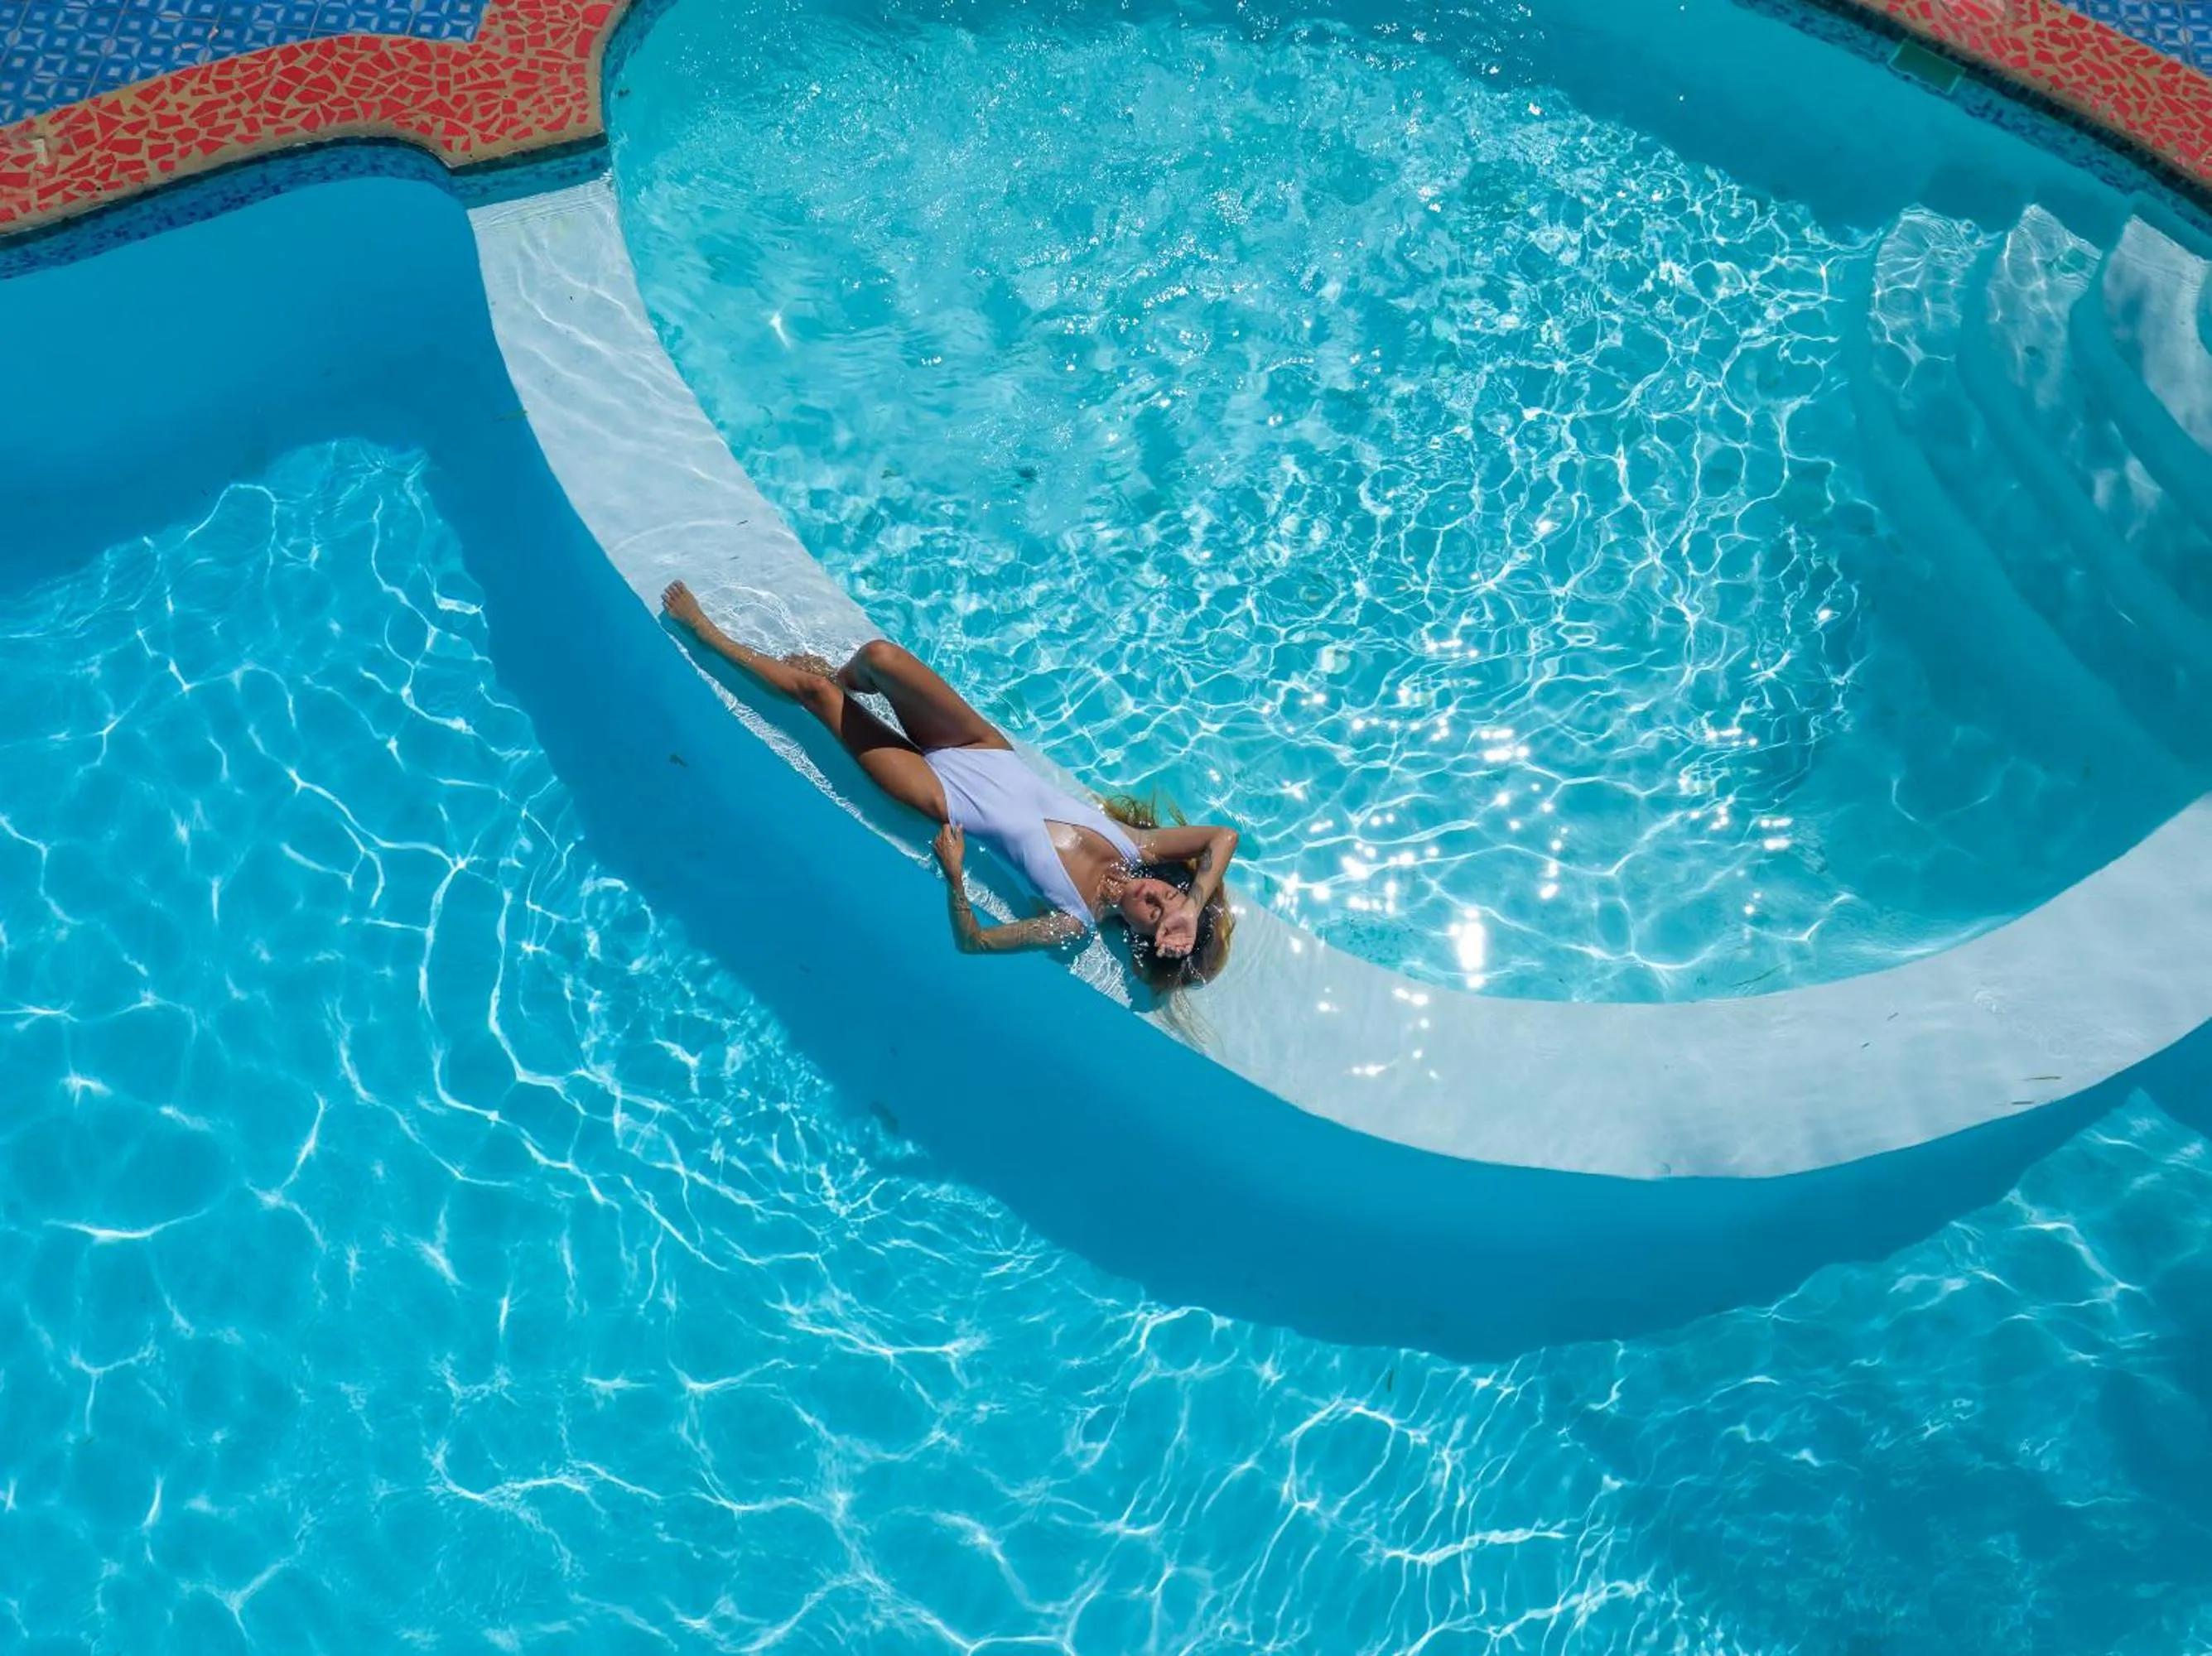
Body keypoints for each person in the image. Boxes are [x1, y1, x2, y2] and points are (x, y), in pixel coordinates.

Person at [661, 581, 1238, 989]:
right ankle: (839, 674)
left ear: (1140, 937)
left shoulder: (1072, 920)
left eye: (1158, 916)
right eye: (1168, 897)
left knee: (817, 700)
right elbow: (1222, 838)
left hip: (940, 796)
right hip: (977, 747)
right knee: (879, 659)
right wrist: (1192, 902)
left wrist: (956, 877)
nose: (1158, 901)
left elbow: (976, 943)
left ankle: (707, 633)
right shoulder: (1135, 847)